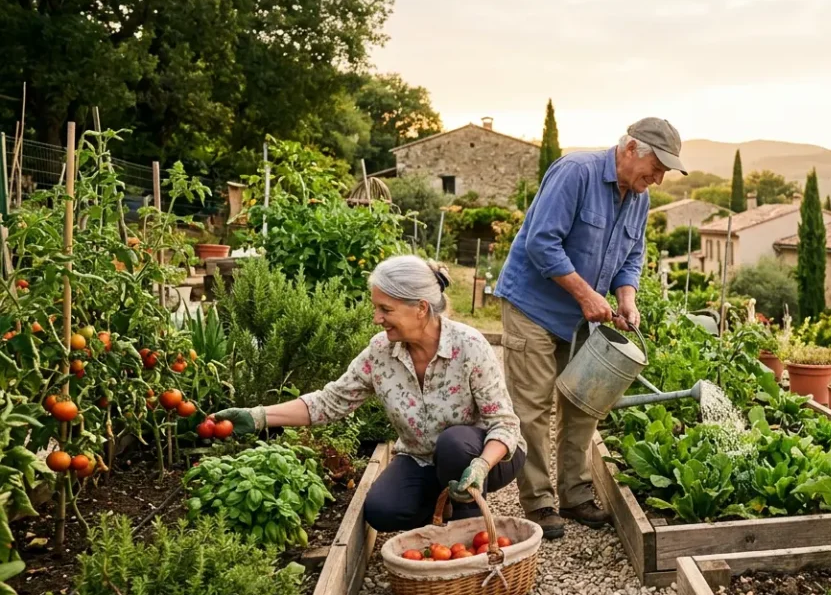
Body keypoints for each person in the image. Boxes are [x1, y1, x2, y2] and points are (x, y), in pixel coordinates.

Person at [202, 255, 527, 529]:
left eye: (385, 309)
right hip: (421, 459)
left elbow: (505, 424)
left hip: (487, 455)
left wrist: (482, 465)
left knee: (454, 444)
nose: (376, 318)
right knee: (383, 510)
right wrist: (259, 417)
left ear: (421, 308)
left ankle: (469, 529)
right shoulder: (381, 353)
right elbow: (330, 402)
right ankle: (444, 507)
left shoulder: (469, 347)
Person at [493, 117, 687, 539]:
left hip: (583, 317)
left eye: (665, 171)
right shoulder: (575, 173)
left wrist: (626, 297)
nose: (658, 177)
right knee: (533, 408)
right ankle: (539, 502)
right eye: (656, 165)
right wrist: (585, 294)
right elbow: (541, 242)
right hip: (533, 306)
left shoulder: (638, 197)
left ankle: (576, 494)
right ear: (631, 148)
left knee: (586, 403)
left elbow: (633, 253)